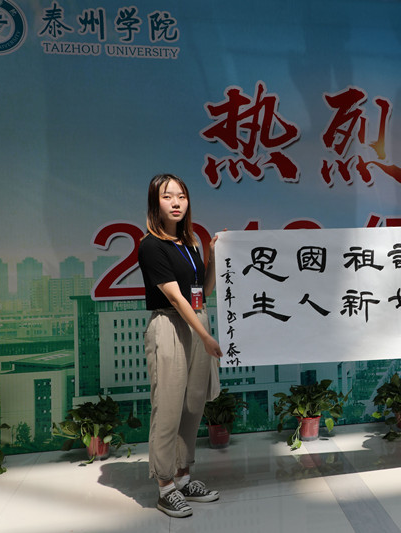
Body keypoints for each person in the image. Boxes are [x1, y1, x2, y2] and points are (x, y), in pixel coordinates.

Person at [138, 173, 223, 518]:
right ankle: (164, 487)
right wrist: (205, 336)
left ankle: (184, 478)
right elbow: (174, 297)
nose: (176, 203)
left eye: (181, 196)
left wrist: (213, 254)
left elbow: (204, 290)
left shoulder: (190, 244)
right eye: (167, 196)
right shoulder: (151, 245)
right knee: (168, 408)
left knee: (193, 405)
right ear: (155, 203)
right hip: (170, 326)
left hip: (197, 321)